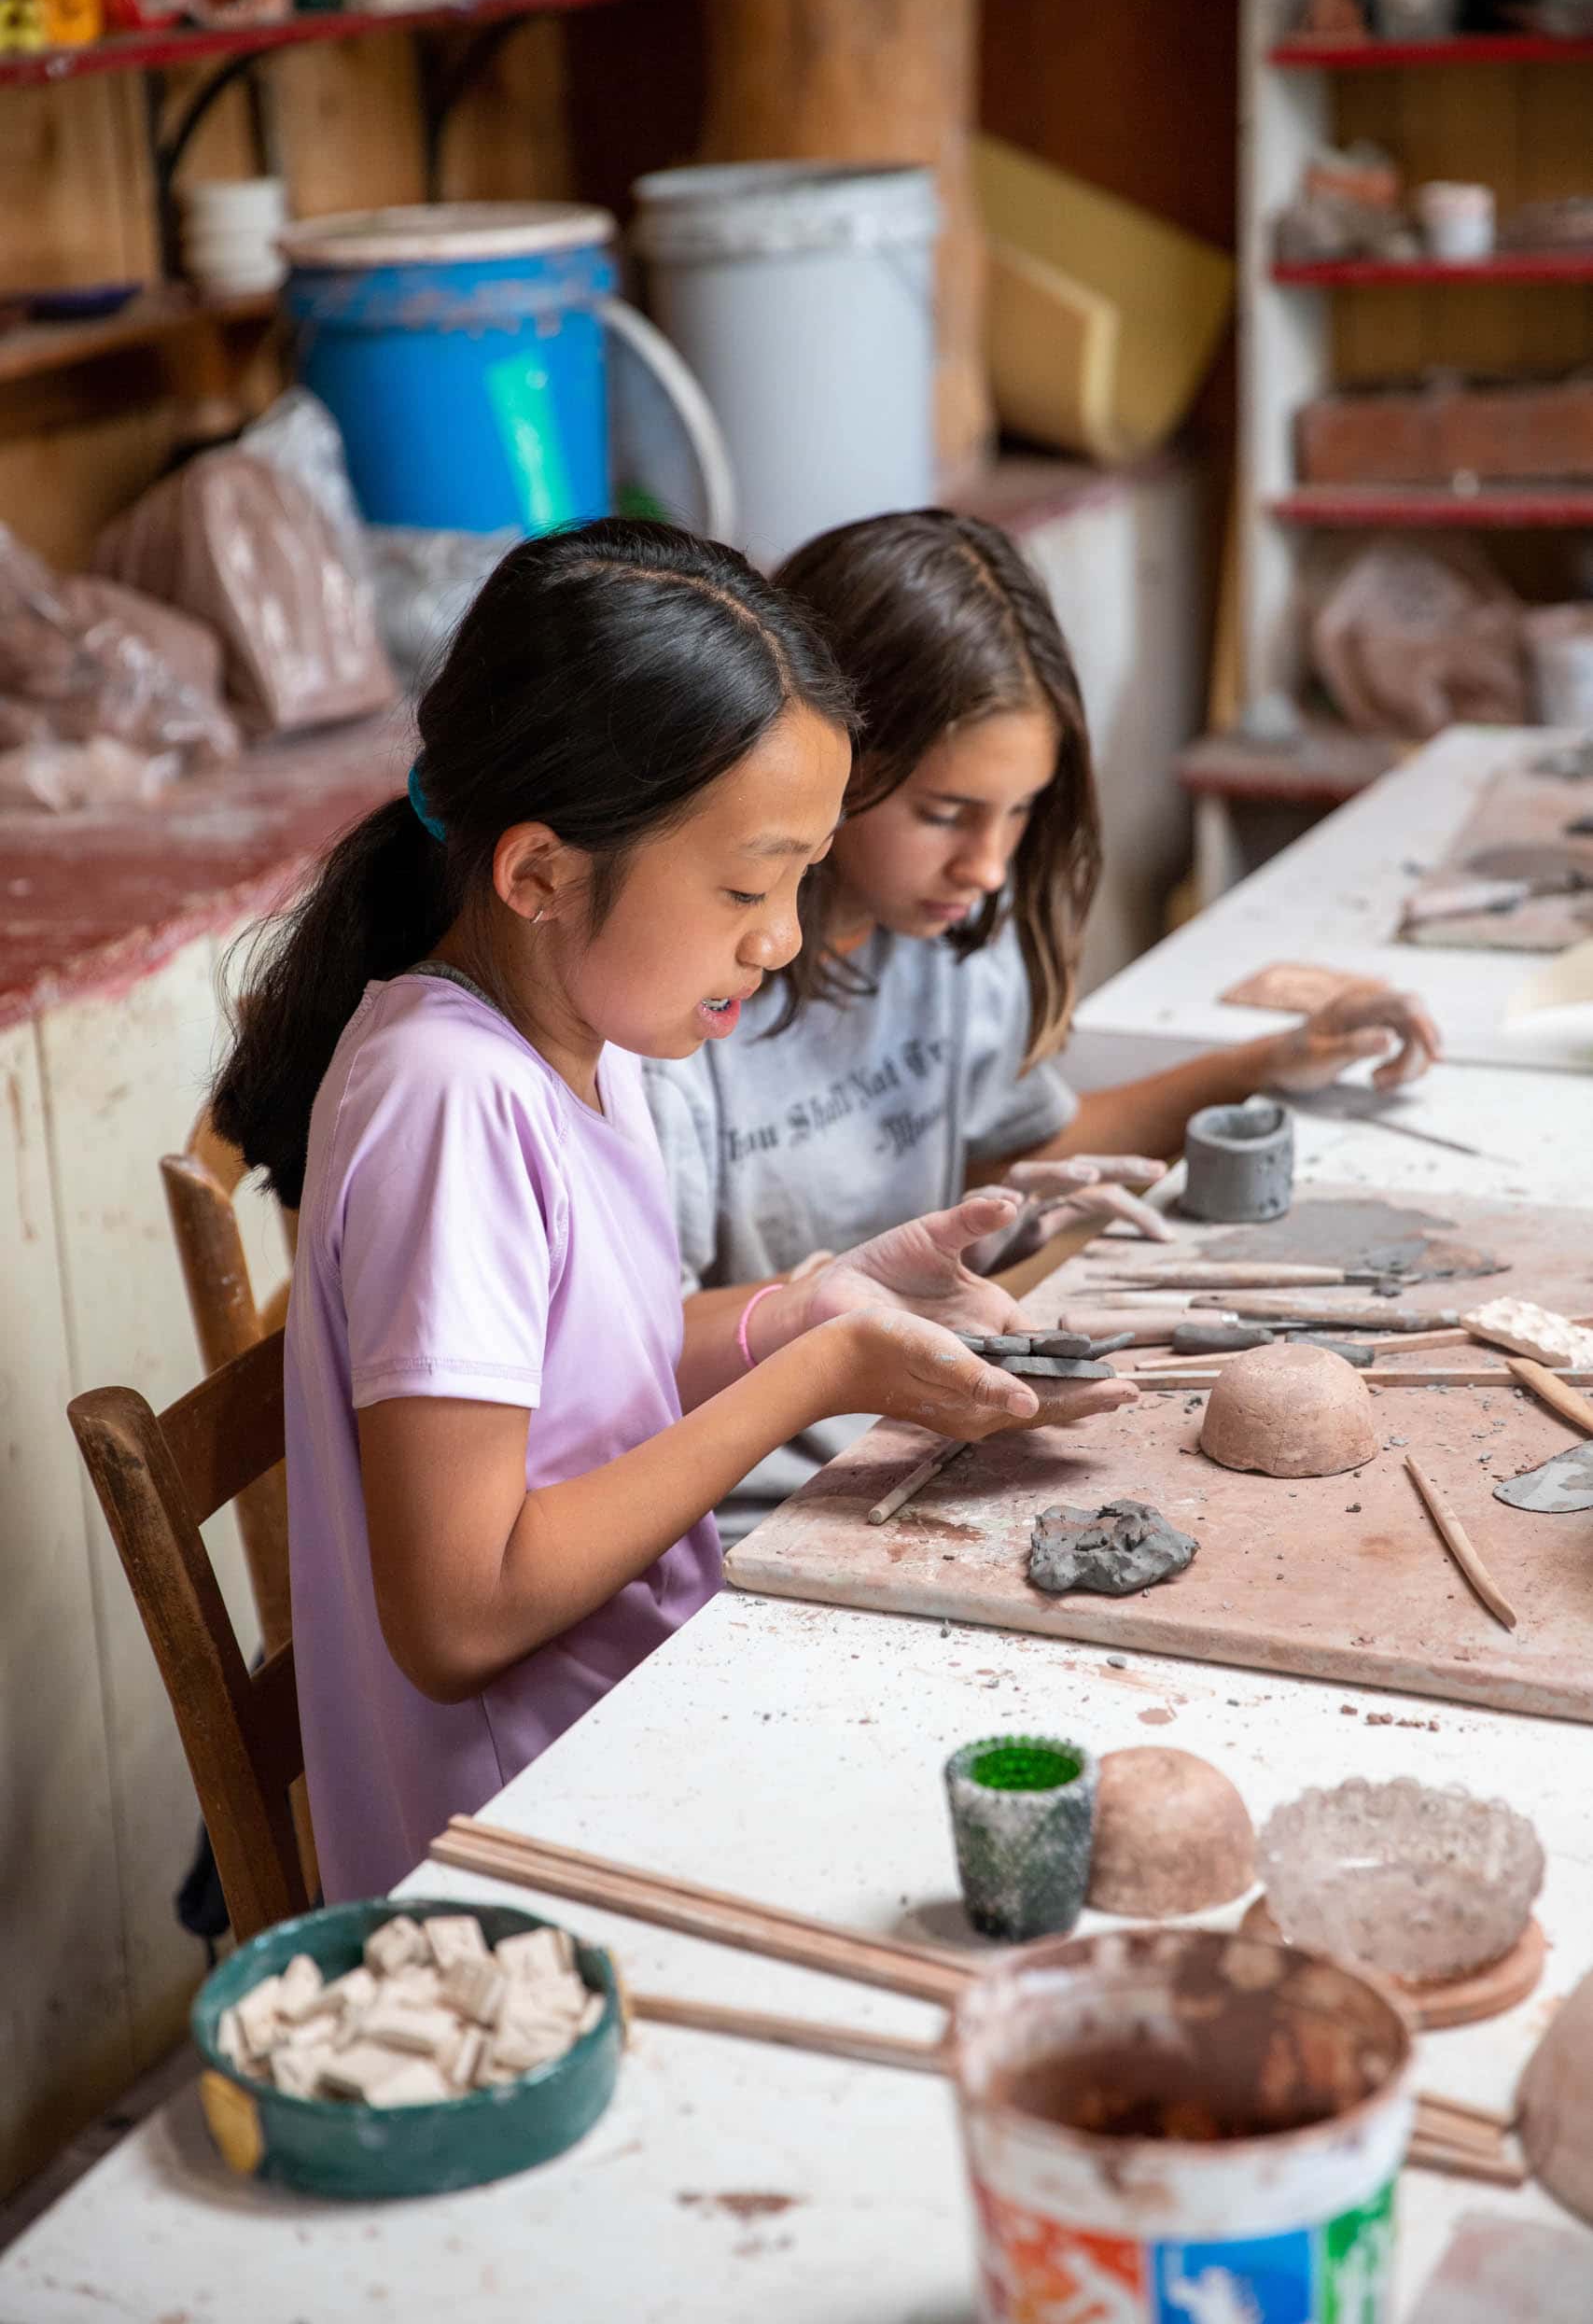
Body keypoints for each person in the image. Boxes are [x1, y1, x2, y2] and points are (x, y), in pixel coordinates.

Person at [210, 520, 1135, 1899]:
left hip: (643, 1711)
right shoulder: (449, 1101)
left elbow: (594, 1357)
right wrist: (817, 1374)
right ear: (537, 874)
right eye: (747, 886)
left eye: (799, 879)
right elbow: (460, 1618)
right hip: (517, 1842)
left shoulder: (588, 1032)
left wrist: (814, 1303)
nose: (776, 938)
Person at [646, 509, 1439, 1543]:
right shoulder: (684, 998)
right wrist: (864, 1315)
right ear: (827, 757)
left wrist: (1264, 1065)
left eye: (1022, 811)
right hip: (762, 1498)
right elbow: (635, 1348)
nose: (987, 865)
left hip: (923, 1431)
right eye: (946, 812)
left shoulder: (953, 931)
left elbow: (1018, 1151)